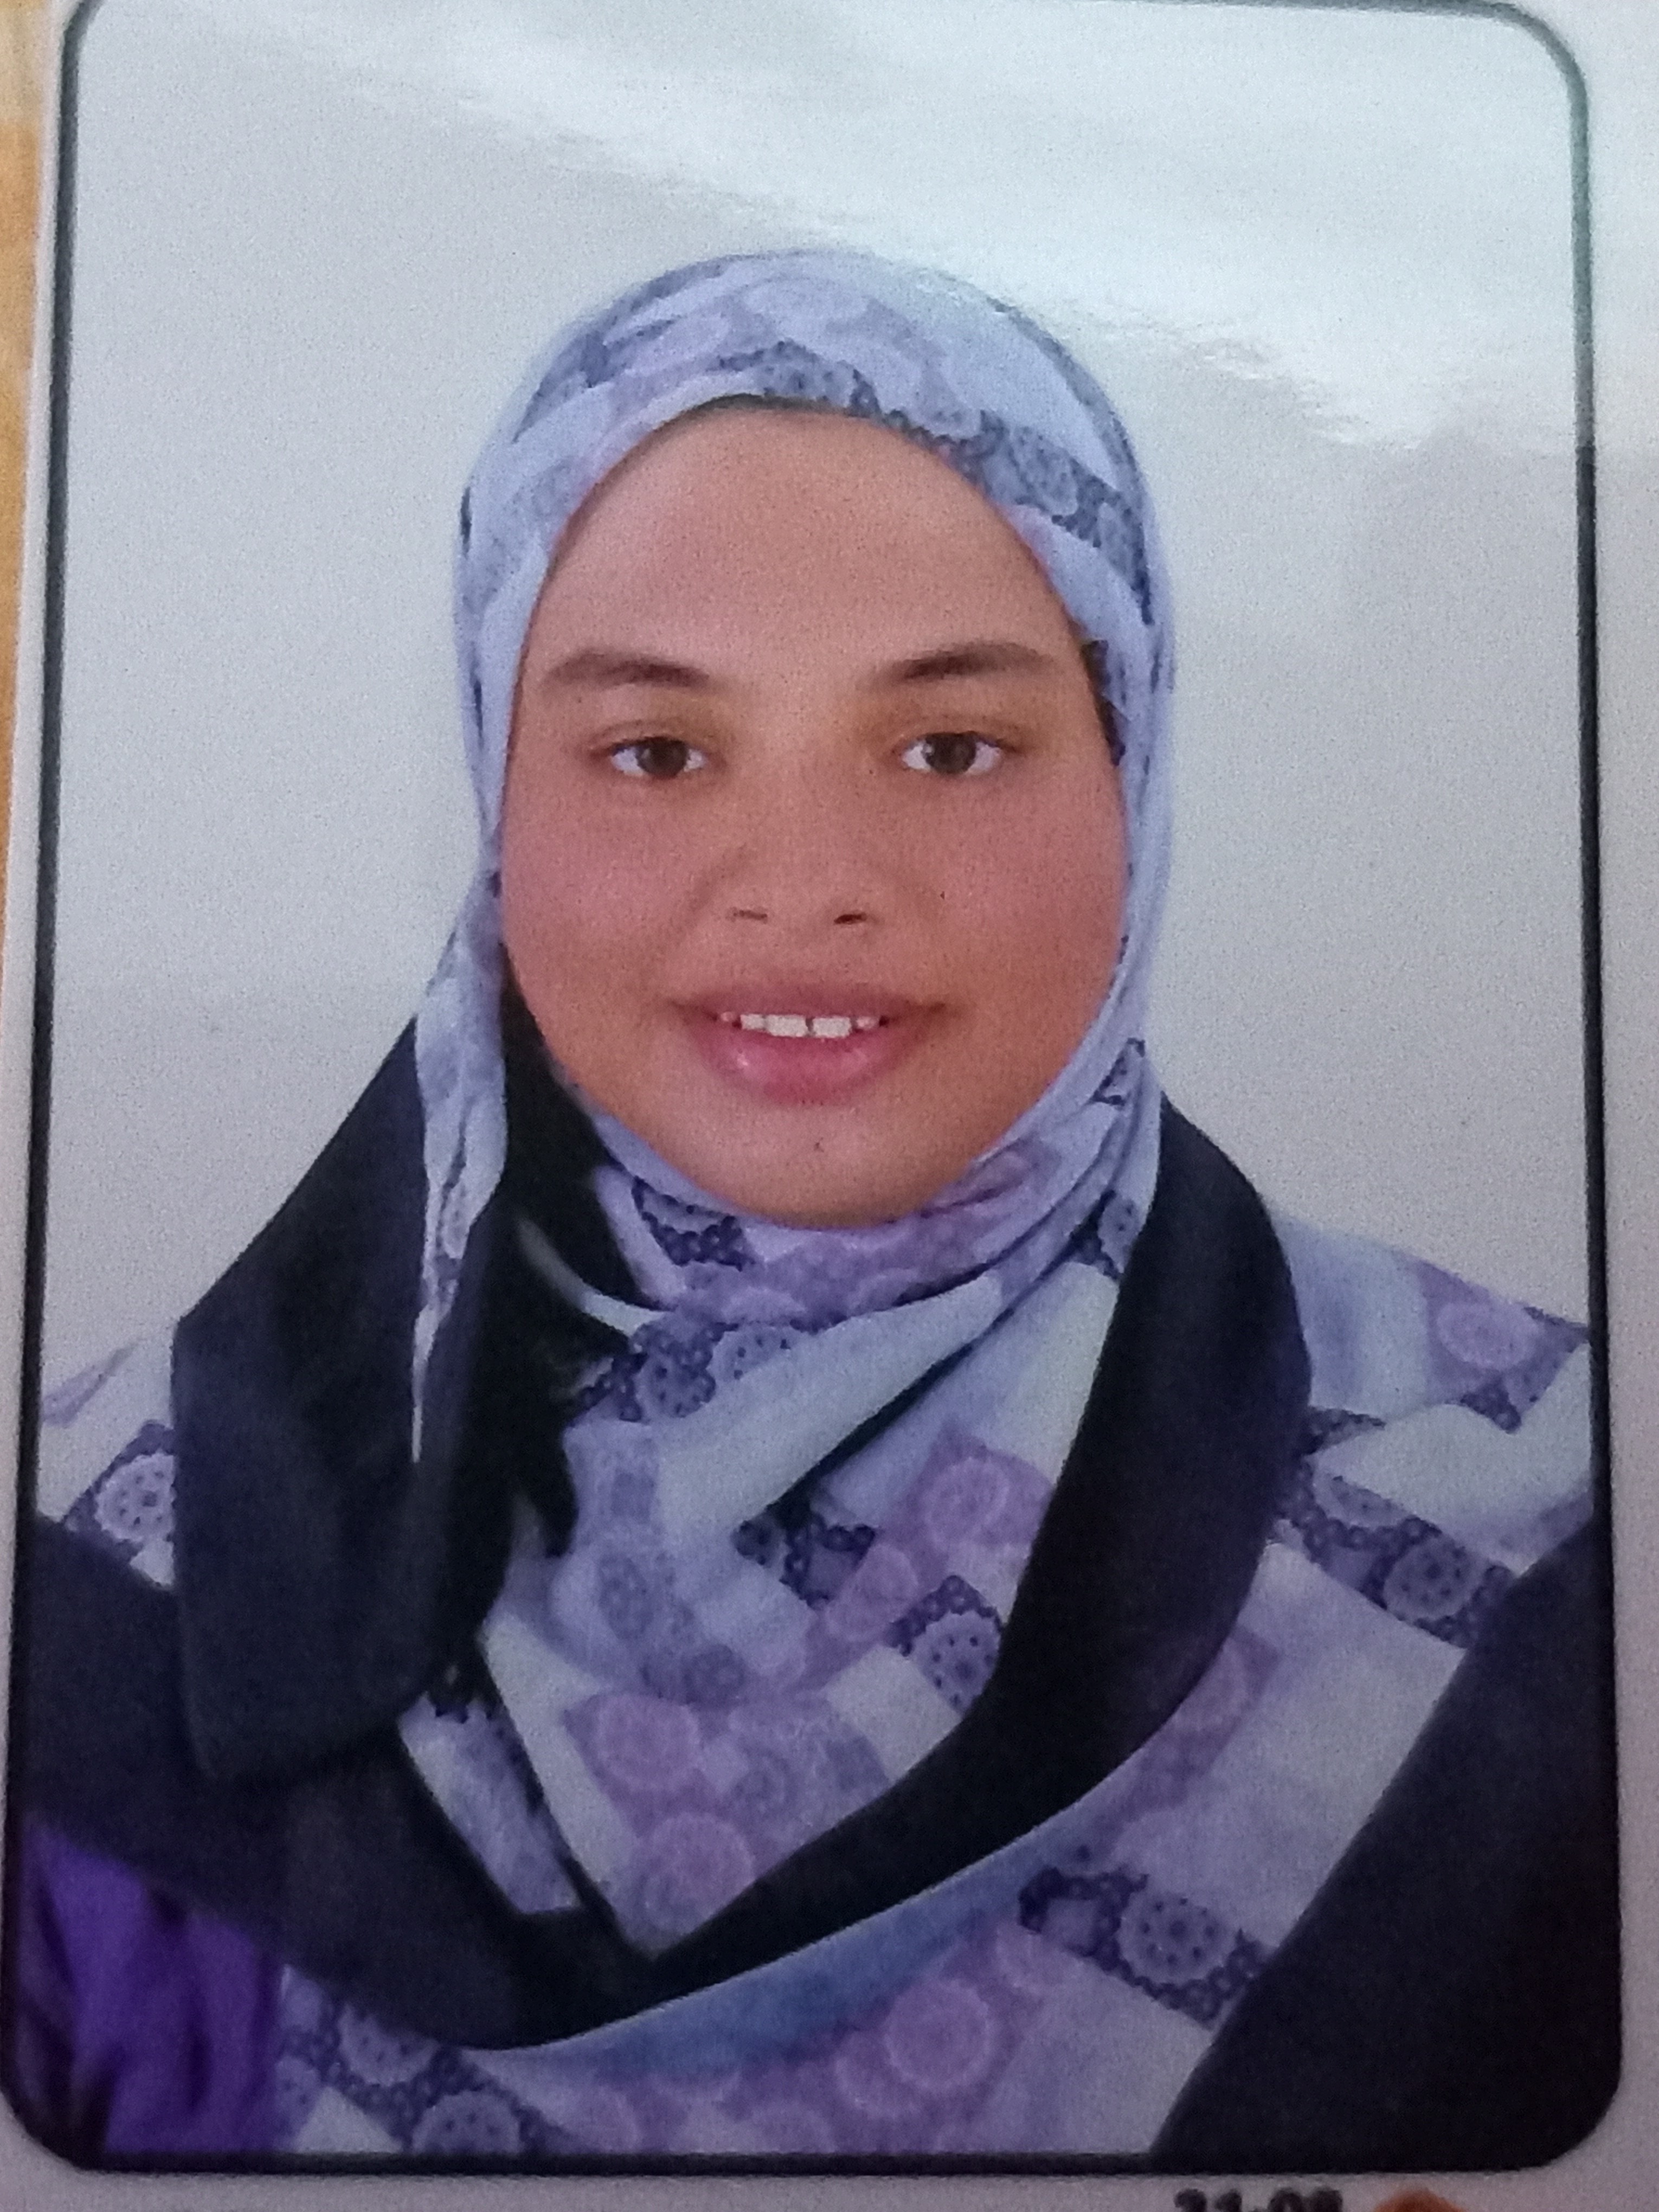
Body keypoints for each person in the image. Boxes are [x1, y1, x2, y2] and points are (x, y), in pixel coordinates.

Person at [5, 250, 1614, 2168]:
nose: (804, 883)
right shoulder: (103, 1576)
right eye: (658, 752)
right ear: (497, 808)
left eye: (947, 748)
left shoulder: (1535, 1528)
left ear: (1136, 775)